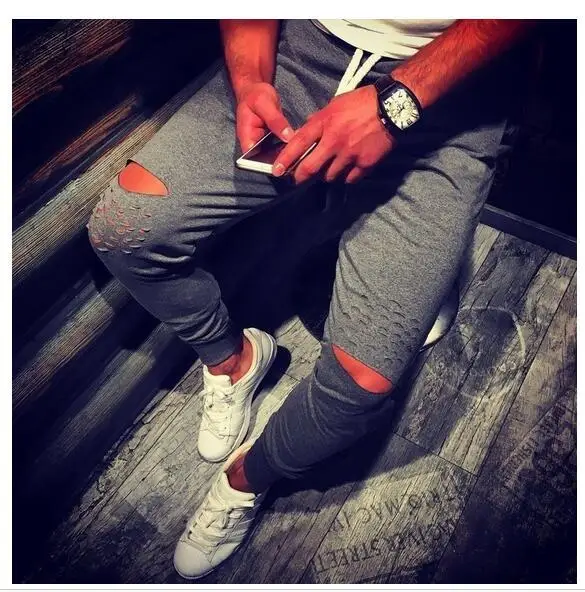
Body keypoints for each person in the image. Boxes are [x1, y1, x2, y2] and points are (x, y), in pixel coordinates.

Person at [87, 19, 534, 579]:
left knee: (358, 390)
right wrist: (250, 80)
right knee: (126, 229)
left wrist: (394, 103)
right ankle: (235, 361)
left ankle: (245, 479)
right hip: (310, 51)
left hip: (456, 96)